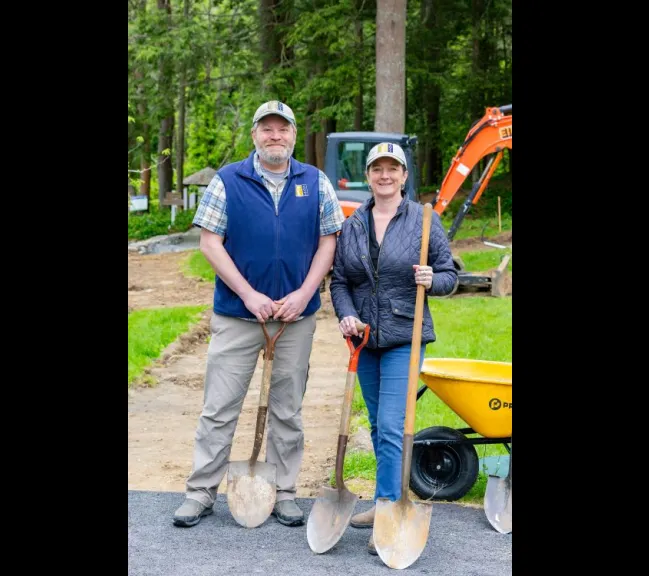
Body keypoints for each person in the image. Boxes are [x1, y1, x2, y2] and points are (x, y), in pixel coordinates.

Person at [173, 100, 344, 528]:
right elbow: (210, 243)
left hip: (295, 319)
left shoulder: (315, 181)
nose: (275, 136)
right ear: (254, 135)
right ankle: (200, 492)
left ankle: (283, 491)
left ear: (293, 135)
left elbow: (329, 242)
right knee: (219, 407)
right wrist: (249, 294)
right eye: (266, 129)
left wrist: (305, 294)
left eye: (282, 129)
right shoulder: (229, 180)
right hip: (236, 315)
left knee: (287, 409)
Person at [329, 142, 458, 554]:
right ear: (368, 175)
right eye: (377, 169)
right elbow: (339, 281)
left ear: (404, 176)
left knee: (390, 423)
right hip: (364, 336)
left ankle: (387, 507)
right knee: (376, 422)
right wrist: (346, 314)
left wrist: (431, 280)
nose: (385, 176)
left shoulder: (423, 220)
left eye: (393, 169)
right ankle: (384, 497)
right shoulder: (354, 224)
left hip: (406, 332)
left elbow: (451, 274)